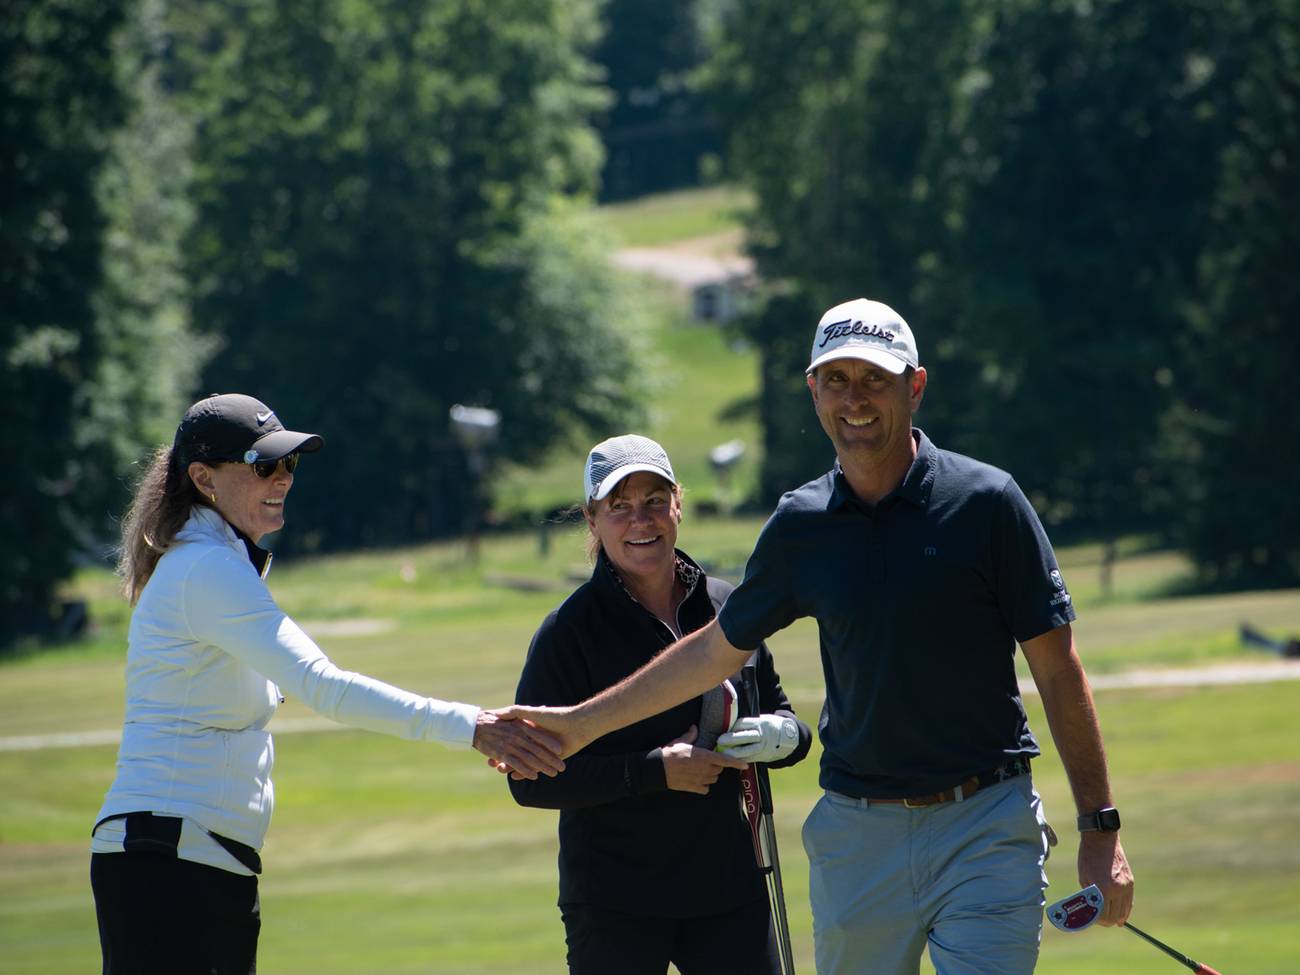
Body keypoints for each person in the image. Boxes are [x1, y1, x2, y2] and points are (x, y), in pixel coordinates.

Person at [509, 300, 1136, 975]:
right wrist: (581, 725)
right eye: (836, 379)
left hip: (983, 821)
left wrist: (1100, 827)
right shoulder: (800, 524)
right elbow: (714, 652)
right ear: (814, 391)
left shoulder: (988, 504)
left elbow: (1058, 669)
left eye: (874, 378)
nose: (854, 398)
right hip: (856, 836)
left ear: (914, 385)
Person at [91, 392, 563, 975]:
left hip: (195, 857)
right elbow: (325, 686)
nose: (283, 478)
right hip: (167, 860)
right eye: (264, 465)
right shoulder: (206, 568)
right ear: (203, 478)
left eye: (289, 463)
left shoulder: (217, 560)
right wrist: (473, 726)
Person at [508, 434, 811, 975]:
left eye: (653, 501)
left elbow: (787, 719)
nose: (640, 521)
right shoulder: (566, 632)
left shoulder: (726, 607)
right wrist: (652, 772)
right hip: (614, 901)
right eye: (618, 507)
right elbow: (530, 780)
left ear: (678, 504)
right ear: (592, 520)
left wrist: (780, 737)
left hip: (727, 888)